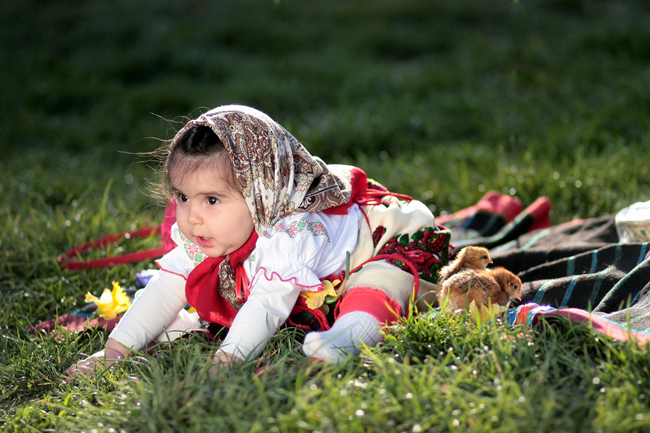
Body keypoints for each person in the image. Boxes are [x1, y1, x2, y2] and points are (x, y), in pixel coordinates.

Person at [66, 105, 451, 377]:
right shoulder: (203, 231)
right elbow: (169, 286)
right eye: (183, 197)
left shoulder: (290, 234)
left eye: (212, 200)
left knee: (382, 279)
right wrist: (114, 351)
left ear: (261, 195)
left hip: (377, 243)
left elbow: (267, 302)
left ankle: (348, 337)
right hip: (304, 275)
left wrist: (227, 361)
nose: (192, 215)